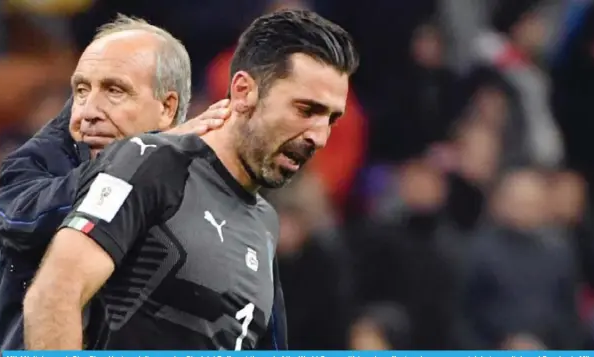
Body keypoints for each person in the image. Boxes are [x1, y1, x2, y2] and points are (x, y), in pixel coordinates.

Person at [22, 9, 359, 350]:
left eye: (331, 119)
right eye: (306, 110)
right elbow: (55, 294)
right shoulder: (152, 163)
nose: (320, 136)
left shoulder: (265, 223)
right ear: (243, 92)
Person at [0, 15, 228, 356]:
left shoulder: (208, 186)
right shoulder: (42, 161)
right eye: (81, 90)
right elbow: (20, 223)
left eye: (115, 91)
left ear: (167, 108)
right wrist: (138, 158)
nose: (87, 112)